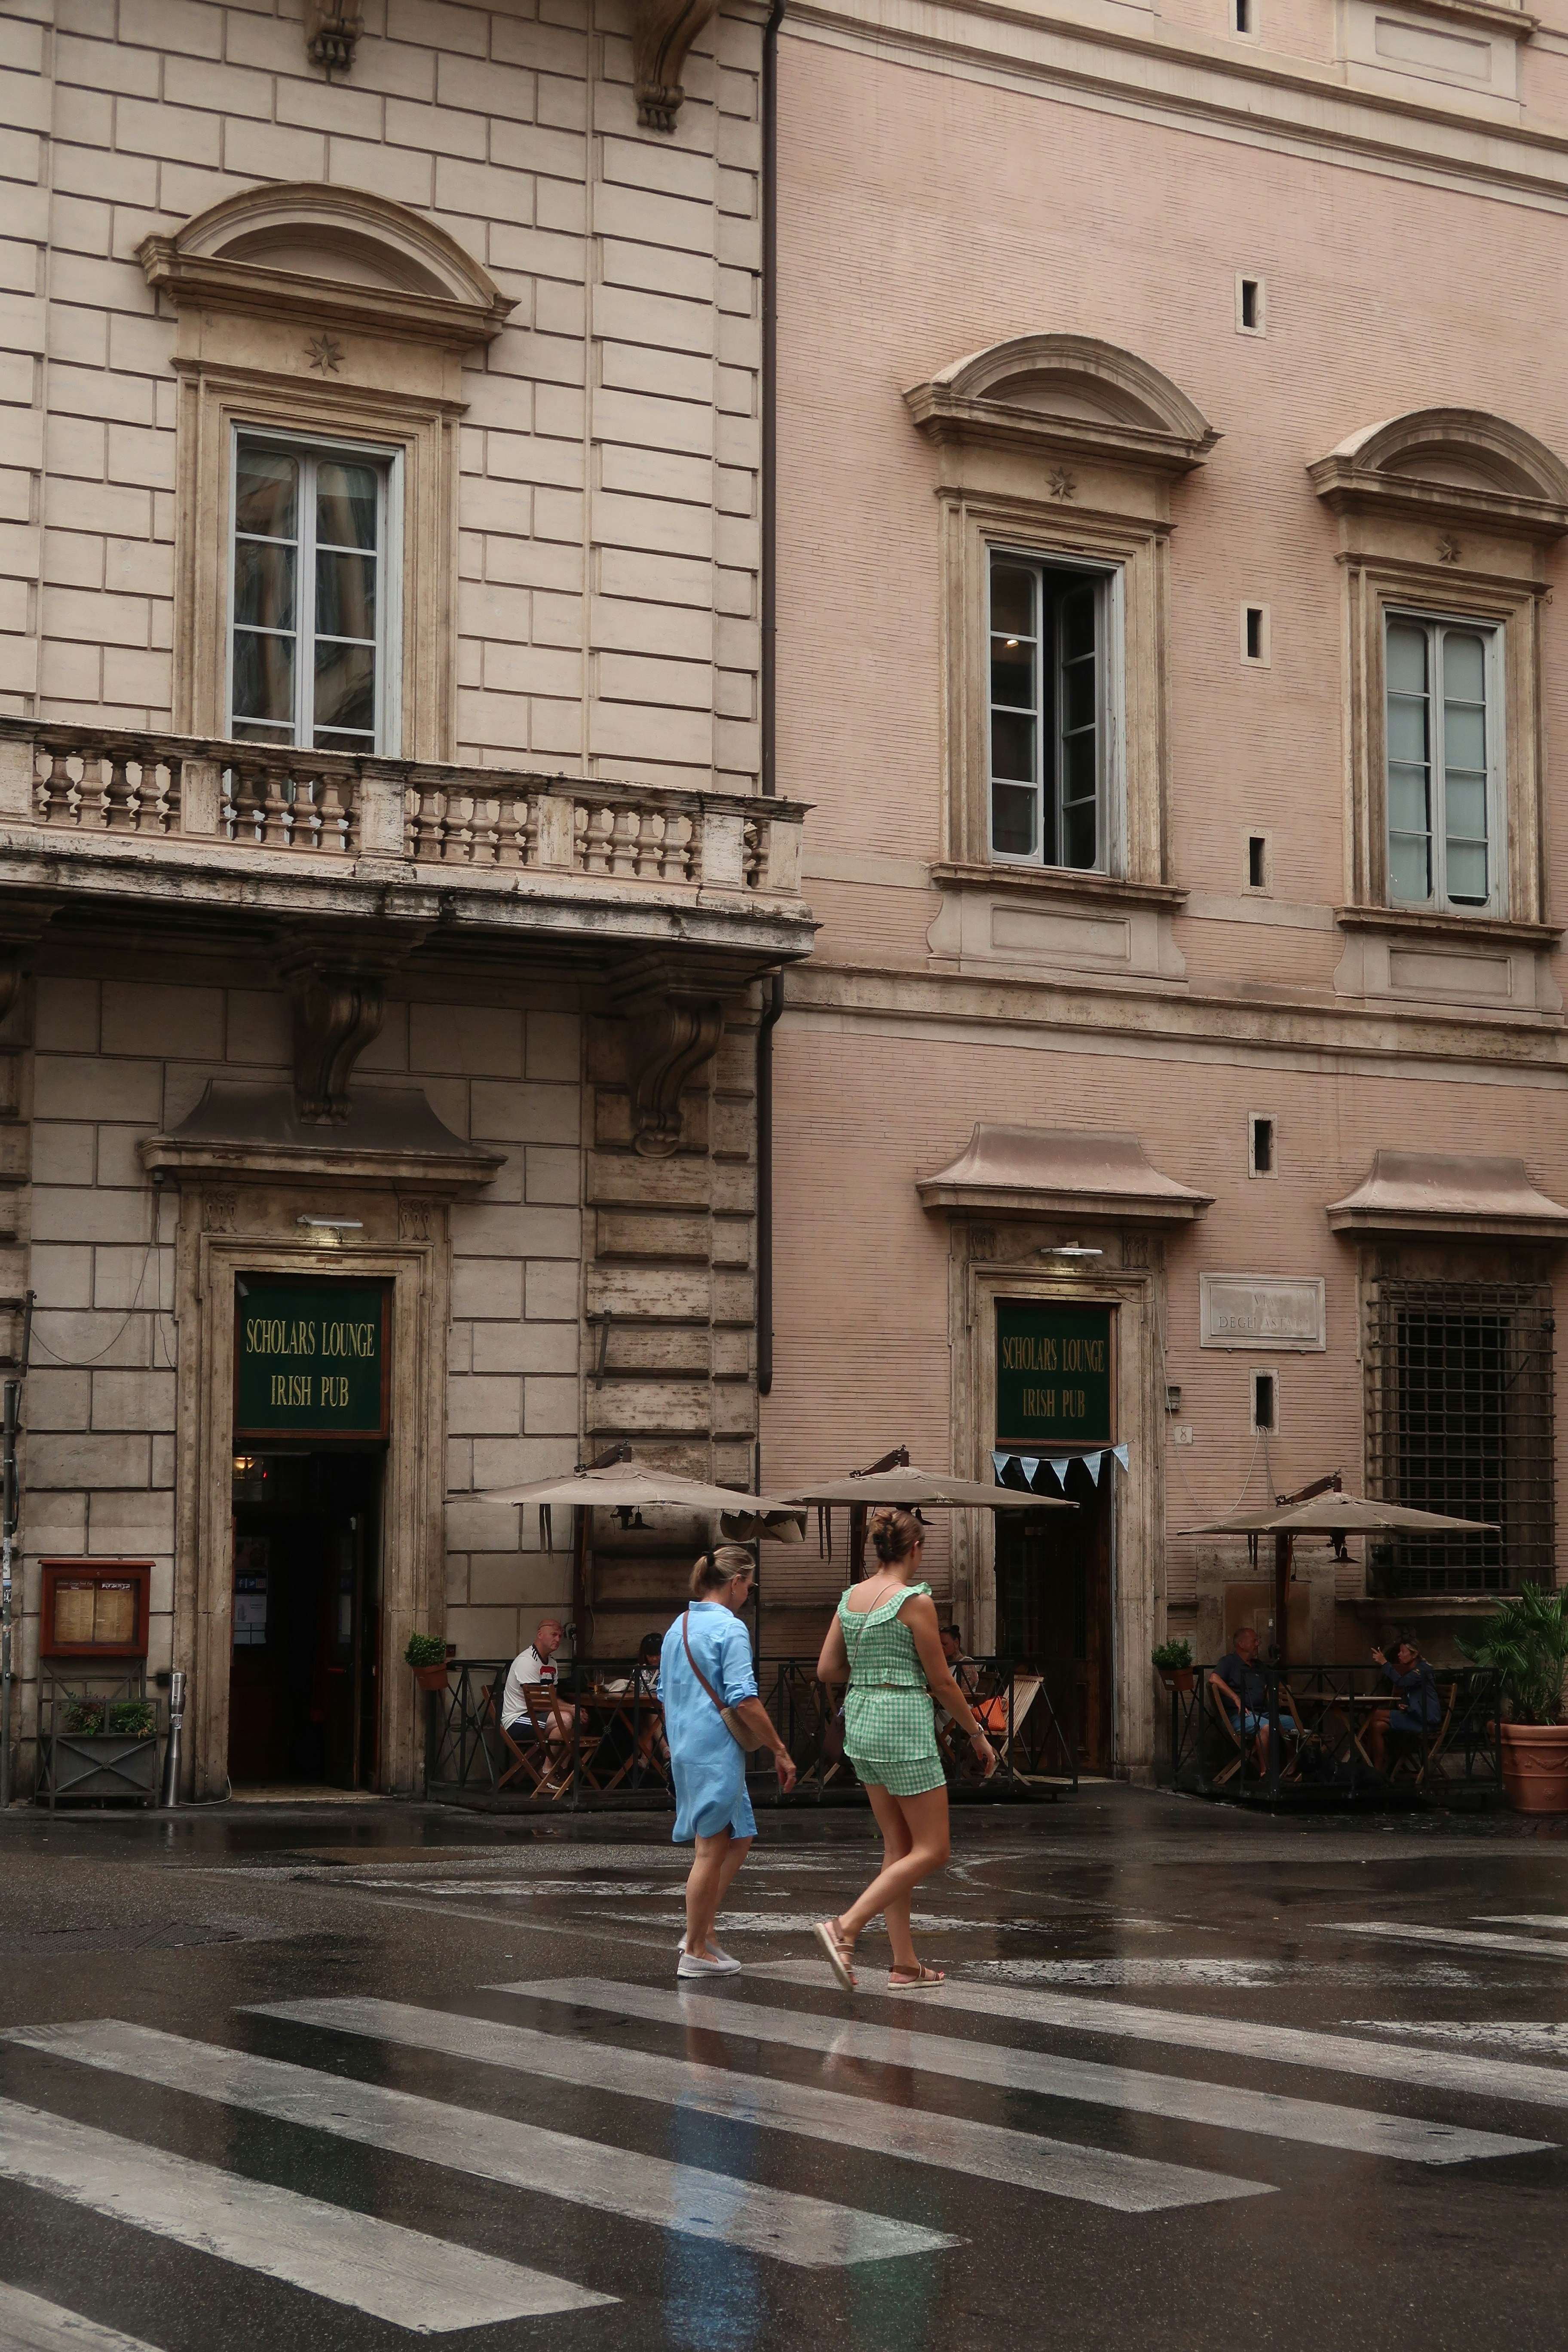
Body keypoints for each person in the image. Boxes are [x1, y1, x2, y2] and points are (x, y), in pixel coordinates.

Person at [812, 1506, 997, 1992]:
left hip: (863, 1725)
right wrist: (977, 1734)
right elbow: (940, 1680)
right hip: (903, 1727)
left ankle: (905, 1965)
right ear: (915, 1549)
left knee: (897, 1847)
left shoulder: (851, 1597)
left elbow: (827, 1669)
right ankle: (845, 1927)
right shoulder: (915, 1601)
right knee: (934, 1849)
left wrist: (872, 1675)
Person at [661, 1546, 796, 1978]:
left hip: (686, 1745)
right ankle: (695, 1949)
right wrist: (778, 1748)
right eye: (749, 1586)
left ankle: (702, 1931)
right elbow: (744, 1697)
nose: (749, 1594)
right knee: (711, 1847)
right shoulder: (730, 1629)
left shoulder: (677, 1627)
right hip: (715, 1749)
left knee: (740, 1835)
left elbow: (665, 1692)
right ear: (736, 1582)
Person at [1210, 1625, 1297, 1779]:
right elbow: (1214, 1679)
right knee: (1266, 1727)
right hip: (1239, 1716)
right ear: (1241, 1644)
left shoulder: (1258, 1665)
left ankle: (1292, 1764)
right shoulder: (1229, 1662)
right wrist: (1236, 1698)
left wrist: (1290, 1694)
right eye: (1254, 1641)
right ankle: (1266, 1773)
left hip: (1264, 1712)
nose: (1258, 1644)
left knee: (1293, 1723)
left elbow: (1277, 1684)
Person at [501, 1617, 577, 1789]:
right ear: (540, 1635)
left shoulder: (552, 1663)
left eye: (560, 1636)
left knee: (577, 1720)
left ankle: (561, 1769)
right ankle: (548, 1771)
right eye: (554, 1635)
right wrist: (570, 1709)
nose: (558, 1639)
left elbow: (553, 1698)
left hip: (538, 1716)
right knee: (565, 1720)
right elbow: (537, 1704)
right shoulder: (527, 1662)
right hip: (517, 1720)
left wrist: (572, 1710)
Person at [597, 1632, 668, 1786]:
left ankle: (652, 1755)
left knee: (649, 1716)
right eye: (651, 1655)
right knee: (646, 1716)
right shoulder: (640, 1669)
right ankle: (659, 1753)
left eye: (658, 1655)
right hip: (650, 1708)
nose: (655, 1659)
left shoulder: (669, 1668)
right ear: (645, 1655)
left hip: (666, 1709)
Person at [1366, 1635, 1443, 1771]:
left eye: (1403, 1652)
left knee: (1373, 1715)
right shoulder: (1413, 1671)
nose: (1399, 1655)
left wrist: (1385, 1663)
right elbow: (1414, 1695)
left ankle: (1372, 1764)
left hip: (1424, 1721)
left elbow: (1402, 1682)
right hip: (1414, 1715)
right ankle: (1377, 1769)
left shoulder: (1423, 1670)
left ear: (1415, 1654)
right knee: (1376, 1726)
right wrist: (1405, 1705)